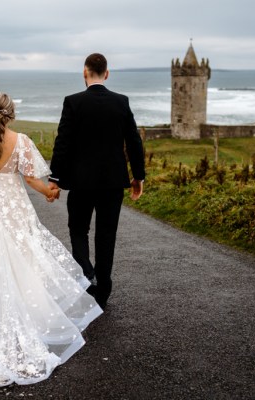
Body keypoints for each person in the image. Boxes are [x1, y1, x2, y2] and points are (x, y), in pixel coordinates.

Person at [0, 93, 103, 386]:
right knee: (22, 253)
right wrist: (49, 192)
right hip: (14, 204)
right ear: (11, 114)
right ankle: (23, 305)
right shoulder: (21, 140)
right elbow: (31, 179)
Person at [48, 53, 146, 310]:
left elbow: (63, 142)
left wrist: (55, 178)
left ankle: (86, 272)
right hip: (113, 183)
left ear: (85, 72)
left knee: (78, 230)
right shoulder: (121, 102)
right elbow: (134, 142)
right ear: (107, 73)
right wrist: (138, 176)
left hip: (80, 183)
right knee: (106, 234)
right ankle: (103, 287)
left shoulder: (73, 102)